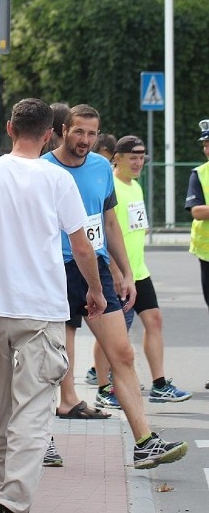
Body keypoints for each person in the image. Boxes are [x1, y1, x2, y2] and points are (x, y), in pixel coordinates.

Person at [0, 97, 104, 513]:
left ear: (10, 129)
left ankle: (2, 495)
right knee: (34, 410)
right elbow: (81, 245)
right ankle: (14, 503)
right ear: (50, 134)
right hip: (41, 311)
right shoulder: (56, 181)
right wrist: (95, 290)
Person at [42, 104, 188, 470]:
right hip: (54, 270)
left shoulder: (99, 169)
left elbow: (109, 222)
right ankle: (40, 440)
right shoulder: (43, 169)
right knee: (48, 362)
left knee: (122, 354)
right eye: (79, 132)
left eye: (92, 134)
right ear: (63, 130)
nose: (85, 141)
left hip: (96, 269)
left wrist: (125, 272)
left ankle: (144, 442)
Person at [87, 135, 192, 404]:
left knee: (154, 321)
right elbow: (104, 231)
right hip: (117, 273)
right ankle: (103, 387)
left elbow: (135, 226)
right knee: (110, 331)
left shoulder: (135, 186)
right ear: (117, 158)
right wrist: (115, 270)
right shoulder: (111, 187)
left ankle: (159, 384)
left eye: (141, 157)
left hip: (139, 271)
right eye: (132, 157)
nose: (138, 162)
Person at [185, 119, 209, 389]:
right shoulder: (199, 174)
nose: (207, 149)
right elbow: (196, 210)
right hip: (207, 254)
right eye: (205, 144)